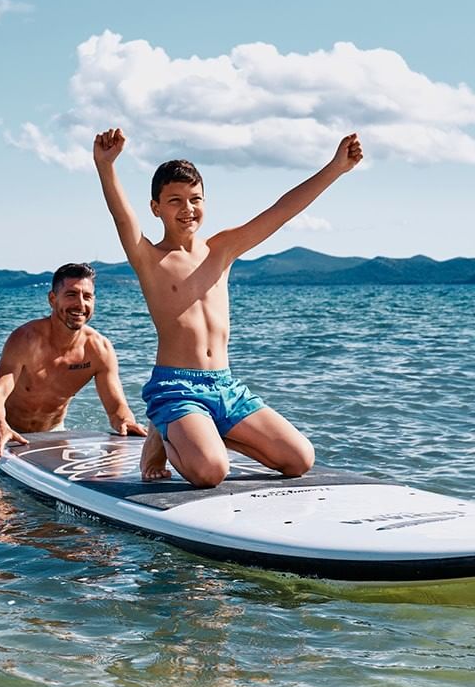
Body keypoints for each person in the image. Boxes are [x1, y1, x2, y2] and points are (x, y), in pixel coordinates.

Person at [92, 127, 363, 487]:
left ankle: (192, 433)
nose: (187, 209)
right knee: (210, 472)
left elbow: (280, 212)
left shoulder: (222, 250)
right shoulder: (149, 257)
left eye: (195, 199)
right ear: (156, 208)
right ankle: (165, 429)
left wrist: (335, 168)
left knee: (299, 459)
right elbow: (122, 218)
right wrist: (106, 166)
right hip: (177, 387)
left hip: (225, 385)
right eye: (175, 201)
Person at [0, 262, 147, 465]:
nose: (80, 304)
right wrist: (0, 426)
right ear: (52, 299)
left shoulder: (98, 350)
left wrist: (125, 422)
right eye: (71, 295)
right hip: (1, 428)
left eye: (87, 296)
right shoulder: (25, 340)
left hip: (52, 434)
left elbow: (116, 407)